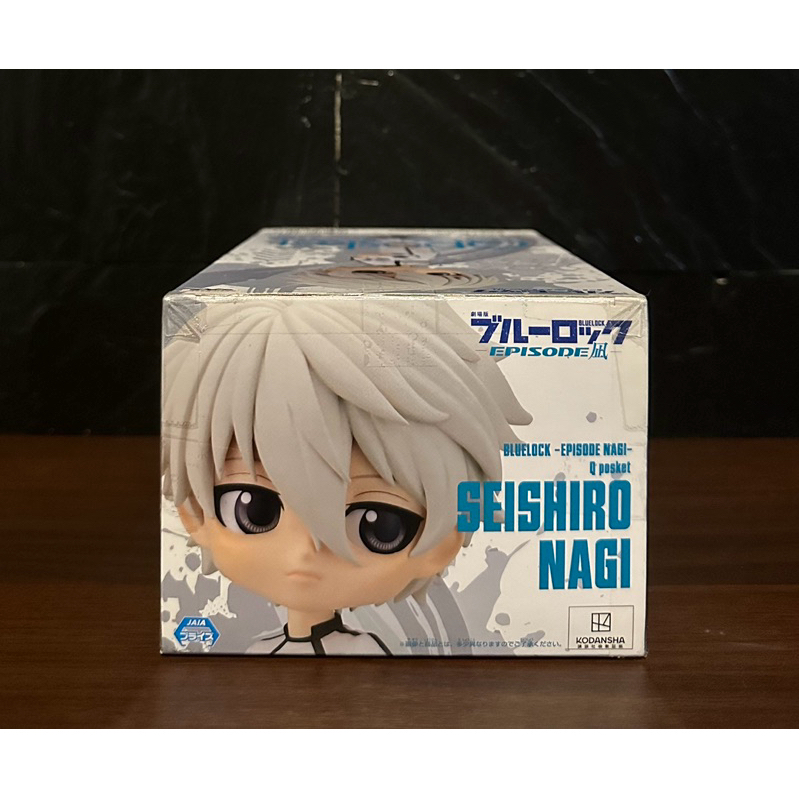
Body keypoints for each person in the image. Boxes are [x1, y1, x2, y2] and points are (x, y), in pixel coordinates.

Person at [162, 298, 531, 655]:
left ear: (441, 546)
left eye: (377, 525)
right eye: (253, 510)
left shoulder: (365, 651)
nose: (305, 551)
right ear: (193, 511)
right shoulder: (258, 648)